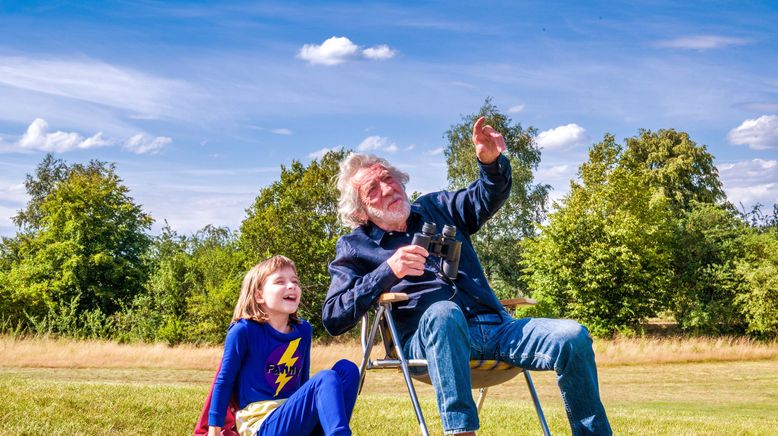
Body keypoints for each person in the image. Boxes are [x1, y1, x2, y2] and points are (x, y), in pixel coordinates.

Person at [322, 117, 612, 435]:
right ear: (361, 211)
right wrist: (388, 271)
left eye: (389, 178)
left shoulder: (438, 207)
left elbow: (485, 196)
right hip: (428, 340)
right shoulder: (354, 246)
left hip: (497, 328)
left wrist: (490, 164)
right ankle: (461, 432)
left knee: (573, 337)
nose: (387, 188)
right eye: (373, 189)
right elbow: (334, 316)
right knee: (444, 313)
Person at [208, 255, 359, 436]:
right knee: (325, 378)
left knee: (347, 369)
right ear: (259, 295)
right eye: (280, 281)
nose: (291, 285)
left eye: (295, 281)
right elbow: (224, 381)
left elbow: (302, 383)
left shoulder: (303, 331)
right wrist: (213, 430)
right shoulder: (244, 331)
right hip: (261, 425)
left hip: (292, 418)